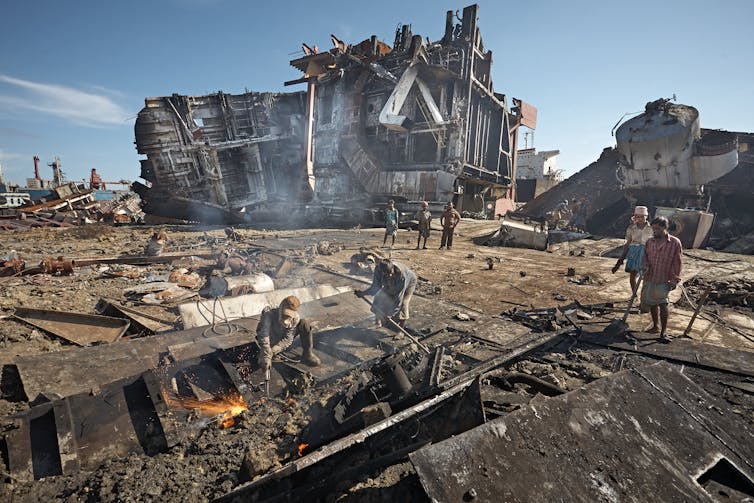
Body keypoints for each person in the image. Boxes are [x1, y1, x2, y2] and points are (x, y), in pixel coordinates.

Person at [640, 216, 682, 342]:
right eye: (653, 229)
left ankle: (663, 332)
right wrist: (644, 266)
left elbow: (677, 262)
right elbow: (645, 257)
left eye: (657, 229)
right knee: (652, 302)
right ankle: (655, 326)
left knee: (663, 303)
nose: (655, 231)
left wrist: (675, 279)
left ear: (665, 228)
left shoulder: (675, 242)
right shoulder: (649, 242)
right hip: (650, 276)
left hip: (665, 278)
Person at [257, 295, 320, 369]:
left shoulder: (295, 318)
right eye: (285, 315)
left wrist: (273, 351)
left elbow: (287, 339)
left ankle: (307, 354)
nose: (286, 320)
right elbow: (264, 334)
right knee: (265, 352)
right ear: (281, 307)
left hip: (281, 337)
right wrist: (266, 352)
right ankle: (268, 352)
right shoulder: (269, 313)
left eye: (289, 316)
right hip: (270, 336)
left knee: (304, 324)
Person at [355, 259, 417, 329]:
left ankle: (400, 330)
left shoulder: (401, 276)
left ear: (393, 268)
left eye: (390, 272)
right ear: (381, 272)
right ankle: (378, 322)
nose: (389, 275)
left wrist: (391, 314)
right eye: (386, 274)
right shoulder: (378, 270)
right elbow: (376, 286)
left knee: (403, 303)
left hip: (409, 282)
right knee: (380, 297)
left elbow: (398, 297)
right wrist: (364, 293)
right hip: (393, 279)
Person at [612, 206, 653, 294]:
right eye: (638, 216)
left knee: (646, 275)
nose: (640, 219)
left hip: (647, 253)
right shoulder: (631, 228)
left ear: (646, 216)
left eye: (642, 216)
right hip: (633, 252)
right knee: (633, 274)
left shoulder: (652, 228)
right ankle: (634, 294)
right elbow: (627, 244)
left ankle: (645, 295)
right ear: (635, 217)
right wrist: (620, 260)